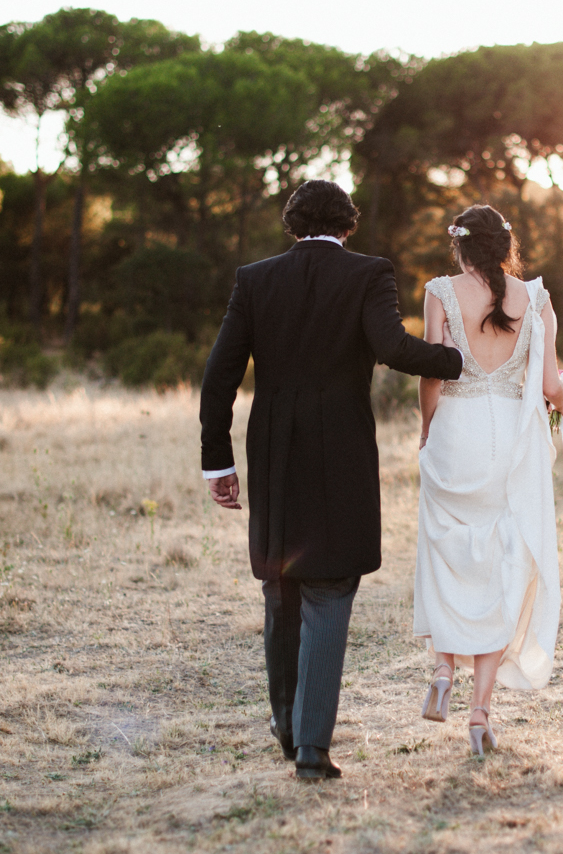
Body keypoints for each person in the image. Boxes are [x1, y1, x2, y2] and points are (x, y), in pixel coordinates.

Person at [199, 180, 464, 781]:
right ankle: (312, 749)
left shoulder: (254, 278)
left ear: (292, 224)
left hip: (272, 452)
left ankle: (288, 727)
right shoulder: (370, 272)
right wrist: (457, 361)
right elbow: (392, 348)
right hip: (341, 449)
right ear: (348, 223)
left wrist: (219, 461)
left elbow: (219, 376)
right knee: (330, 591)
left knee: (281, 588)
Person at [414, 204, 563, 756]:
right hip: (512, 442)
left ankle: (441, 670)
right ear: (505, 247)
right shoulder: (538, 299)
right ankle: (479, 715)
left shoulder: (440, 292)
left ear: (460, 245)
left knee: (445, 549)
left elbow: (435, 373)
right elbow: (551, 386)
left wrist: (427, 428)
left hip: (457, 433)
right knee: (504, 564)